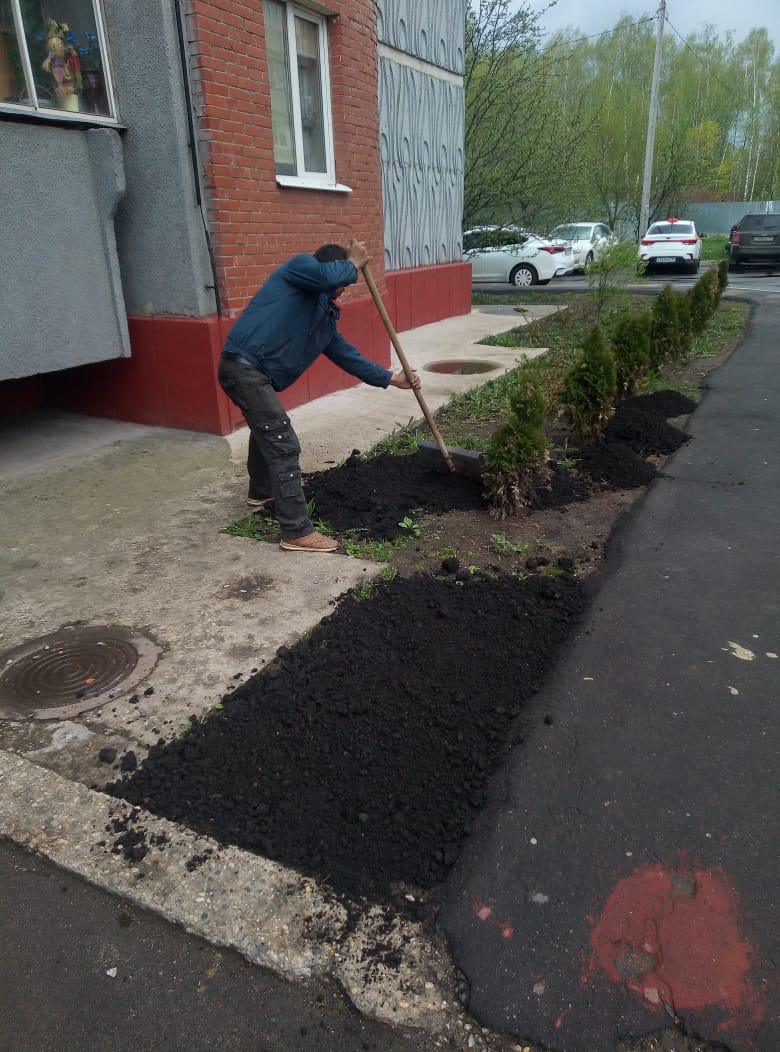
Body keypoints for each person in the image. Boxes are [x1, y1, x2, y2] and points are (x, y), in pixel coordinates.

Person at [218, 239, 421, 552]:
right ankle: (296, 531)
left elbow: (346, 355)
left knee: (267, 429)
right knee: (283, 442)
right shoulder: (299, 268)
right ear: (329, 270)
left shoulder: (323, 317)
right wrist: (353, 263)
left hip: (253, 373)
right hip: (244, 367)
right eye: (341, 279)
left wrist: (392, 379)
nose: (342, 288)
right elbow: (329, 278)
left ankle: (261, 491)